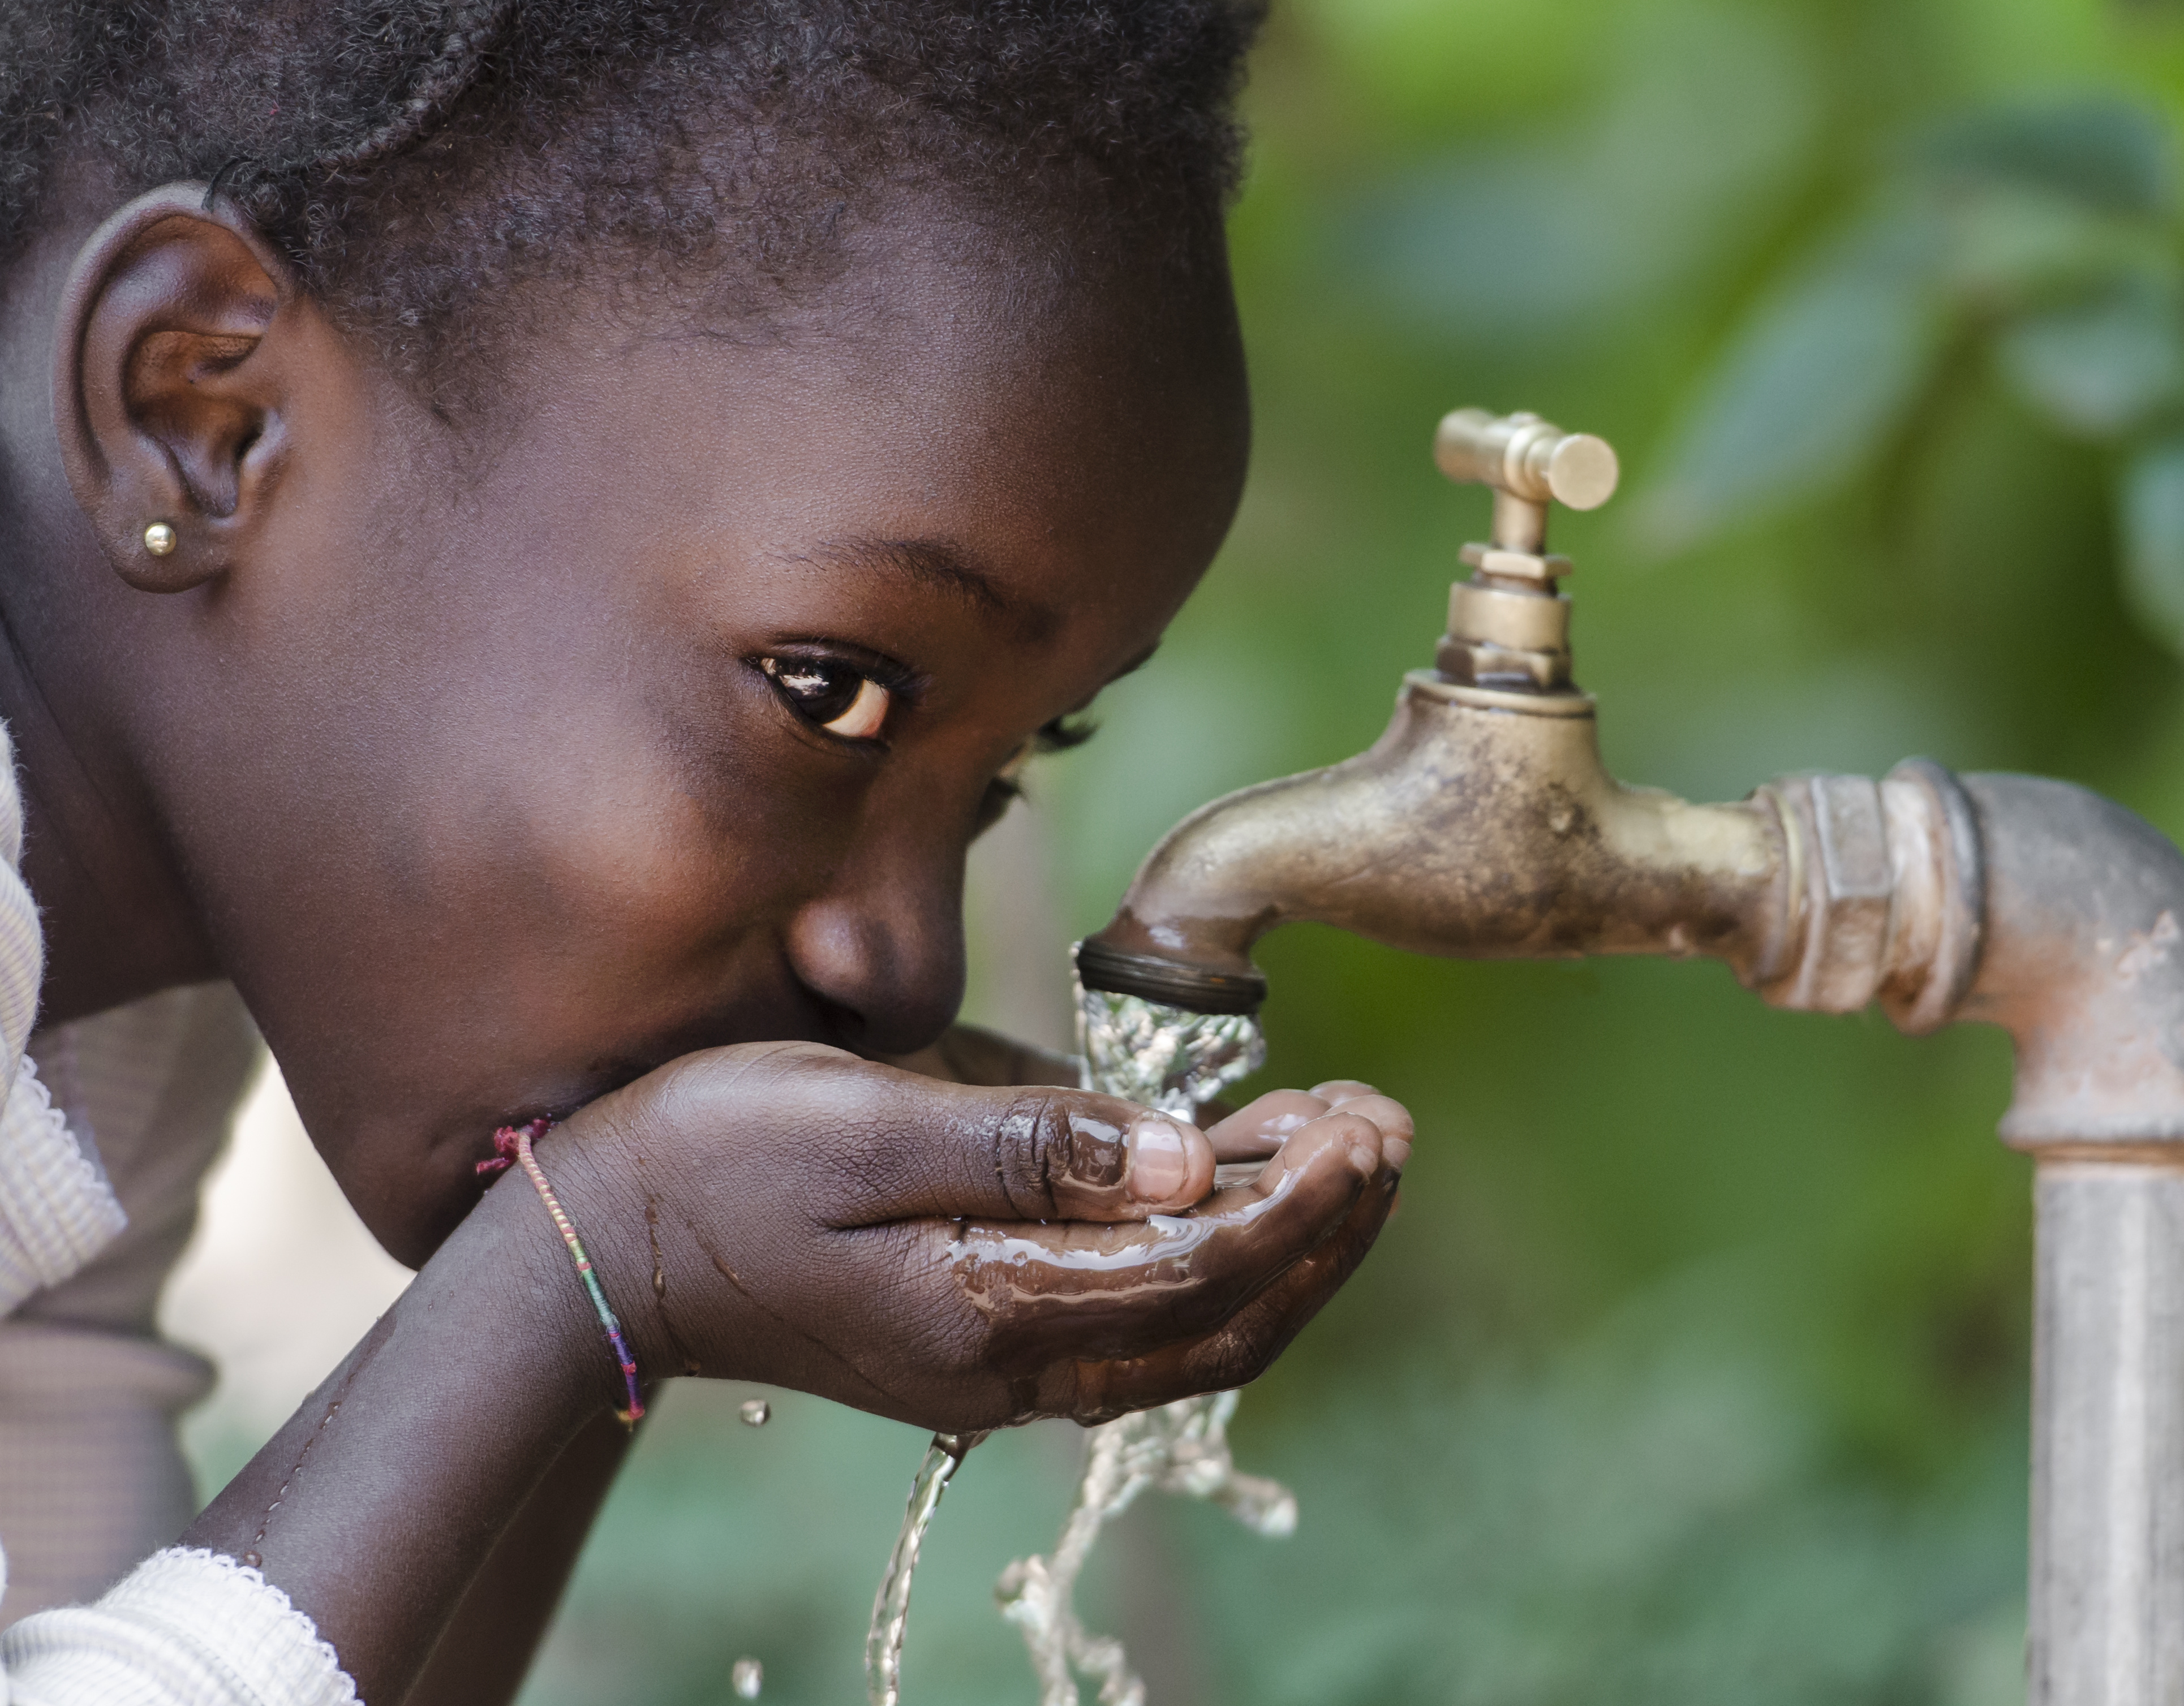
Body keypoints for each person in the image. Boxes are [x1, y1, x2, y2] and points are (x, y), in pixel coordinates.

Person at [0, 1, 1415, 1700]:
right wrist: (595, 1264)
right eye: (830, 693)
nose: (903, 967)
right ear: (201, 412)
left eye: (1009, 769)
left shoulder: (111, 1009)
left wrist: (627, 1263)